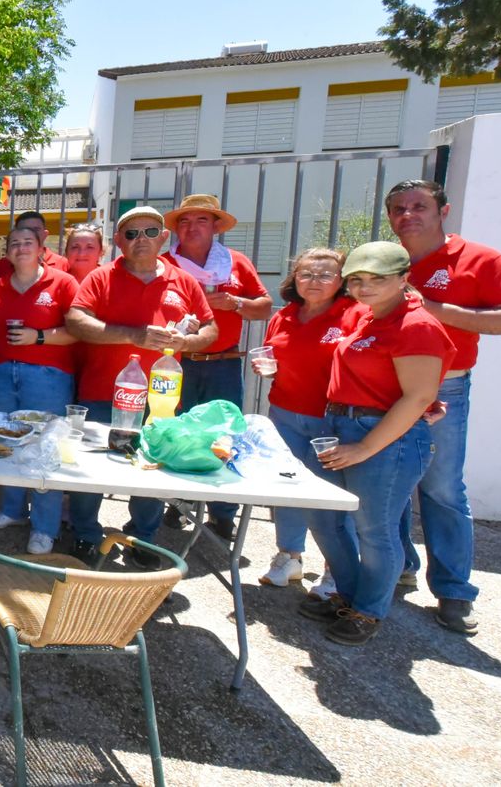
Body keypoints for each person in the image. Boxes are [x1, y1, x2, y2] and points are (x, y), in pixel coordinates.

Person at [387, 178, 501, 635]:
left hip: (444, 387)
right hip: (383, 386)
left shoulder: (480, 259)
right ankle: (398, 567)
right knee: (388, 481)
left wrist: (433, 308)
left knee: (442, 489)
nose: (408, 215)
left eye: (419, 206)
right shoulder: (387, 261)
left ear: (442, 211)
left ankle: (453, 591)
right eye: (399, 208)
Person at [304, 241, 453, 646]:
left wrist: (365, 447)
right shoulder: (370, 318)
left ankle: (367, 611)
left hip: (385, 438)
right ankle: (350, 595)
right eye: (356, 279)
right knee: (324, 517)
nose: (364, 287)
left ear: (404, 279)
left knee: (375, 529)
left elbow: (419, 396)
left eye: (377, 279)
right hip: (344, 427)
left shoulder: (416, 324)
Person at [64, 207, 217, 568]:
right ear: (119, 241)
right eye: (131, 234)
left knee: (152, 468)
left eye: (149, 232)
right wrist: (134, 335)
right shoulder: (101, 277)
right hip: (103, 391)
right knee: (90, 469)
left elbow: (210, 329)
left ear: (164, 238)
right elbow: (76, 320)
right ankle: (85, 534)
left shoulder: (183, 281)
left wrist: (186, 342)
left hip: (161, 398)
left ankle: (143, 538)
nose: (141, 240)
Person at [163, 194, 273, 540]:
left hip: (223, 362)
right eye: (184, 221)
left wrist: (235, 303)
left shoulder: (235, 262)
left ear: (215, 226)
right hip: (179, 362)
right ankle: (178, 501)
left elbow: (264, 307)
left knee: (225, 434)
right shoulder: (165, 263)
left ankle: (223, 512)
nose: (192, 228)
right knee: (178, 433)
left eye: (201, 220)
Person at [254, 248, 358, 592]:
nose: (315, 281)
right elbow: (276, 360)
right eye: (306, 274)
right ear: (294, 278)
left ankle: (335, 570)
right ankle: (289, 556)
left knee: (331, 497)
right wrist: (268, 369)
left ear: (341, 281)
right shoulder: (284, 315)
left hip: (332, 420)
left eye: (325, 275)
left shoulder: (356, 314)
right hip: (285, 413)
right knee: (287, 488)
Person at [0, 226, 80, 554]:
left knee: (44, 446)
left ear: (41, 248)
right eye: (14, 243)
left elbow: (78, 331)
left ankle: (44, 527)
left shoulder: (62, 282)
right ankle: (12, 510)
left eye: (28, 243)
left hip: (46, 375)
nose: (21, 248)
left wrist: (38, 337)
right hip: (1, 372)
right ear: (7, 251)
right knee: (7, 439)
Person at [0, 210, 70, 280]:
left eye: (36, 229)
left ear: (45, 234)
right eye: (25, 229)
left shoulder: (62, 263)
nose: (31, 233)